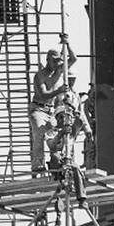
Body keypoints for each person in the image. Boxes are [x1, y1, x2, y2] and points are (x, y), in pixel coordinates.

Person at [31, 35, 78, 174]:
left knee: (56, 134)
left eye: (58, 61)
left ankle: (56, 161)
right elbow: (43, 94)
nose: (57, 64)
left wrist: (67, 44)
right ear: (48, 60)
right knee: (40, 132)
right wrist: (58, 90)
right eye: (54, 61)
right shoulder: (40, 75)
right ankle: (37, 164)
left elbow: (73, 59)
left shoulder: (58, 71)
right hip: (38, 109)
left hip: (50, 111)